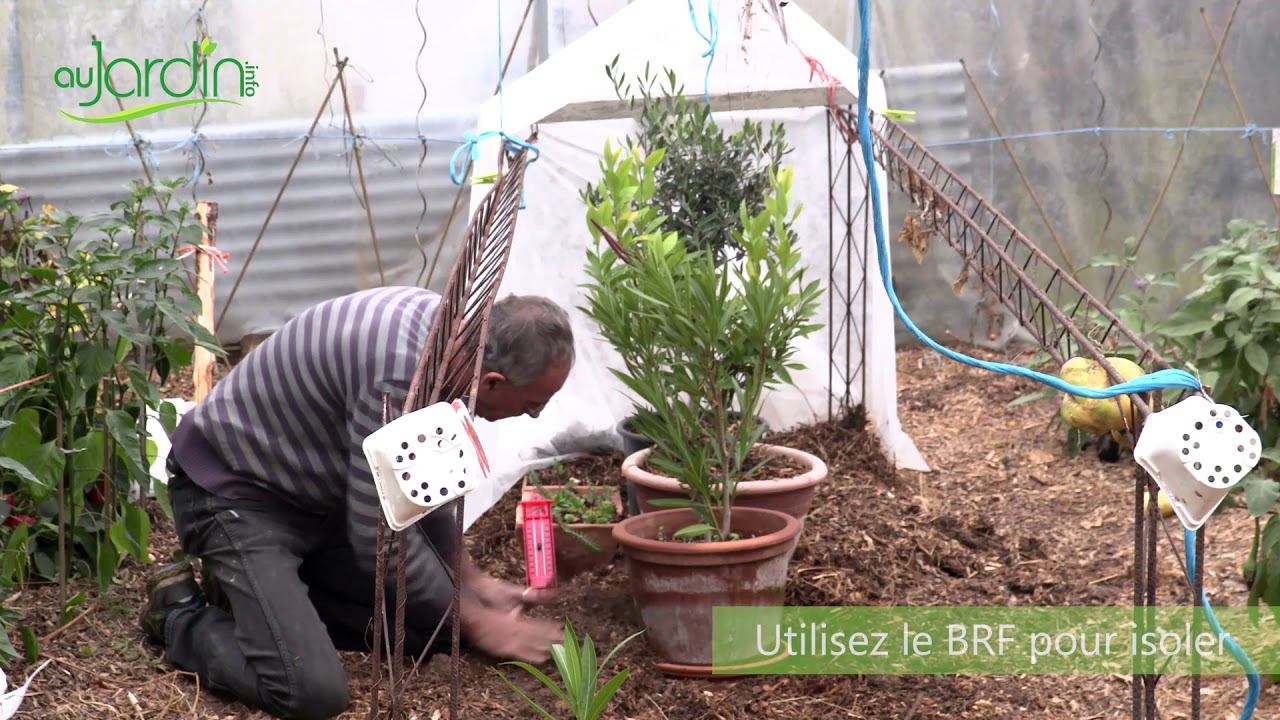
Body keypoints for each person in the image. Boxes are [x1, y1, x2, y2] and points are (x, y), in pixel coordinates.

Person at [141, 286, 573, 720]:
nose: (531, 417)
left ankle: (259, 600)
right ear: (493, 382)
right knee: (310, 690)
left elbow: (420, 487)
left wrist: (470, 582)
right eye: (533, 407)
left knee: (439, 625)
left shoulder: (452, 339)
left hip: (316, 501)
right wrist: (480, 621)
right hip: (234, 496)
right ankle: (180, 614)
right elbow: (379, 542)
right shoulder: (401, 378)